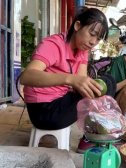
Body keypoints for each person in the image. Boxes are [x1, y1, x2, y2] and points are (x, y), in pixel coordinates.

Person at [20, 7, 111, 153]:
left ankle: (91, 135)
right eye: (92, 34)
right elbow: (27, 76)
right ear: (77, 26)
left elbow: (80, 83)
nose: (93, 41)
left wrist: (87, 86)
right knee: (102, 90)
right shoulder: (53, 45)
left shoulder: (83, 51)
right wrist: (70, 79)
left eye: (98, 39)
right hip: (44, 112)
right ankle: (90, 137)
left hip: (61, 101)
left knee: (105, 84)